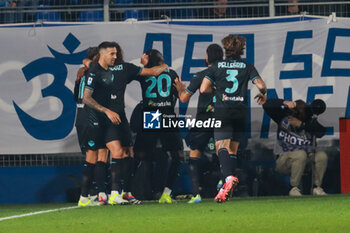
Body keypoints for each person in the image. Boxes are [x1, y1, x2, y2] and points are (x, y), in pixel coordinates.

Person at [83, 41, 168, 205]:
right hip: (104, 119)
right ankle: (112, 193)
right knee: (114, 152)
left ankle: (126, 193)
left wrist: (162, 66)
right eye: (112, 54)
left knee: (129, 153)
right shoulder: (96, 70)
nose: (115, 56)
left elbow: (150, 72)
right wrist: (106, 111)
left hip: (120, 116)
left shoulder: (124, 68)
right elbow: (86, 97)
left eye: (116, 53)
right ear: (102, 55)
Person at [200, 35, 267, 203]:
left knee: (220, 146)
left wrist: (216, 91)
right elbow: (261, 85)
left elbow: (203, 89)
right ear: (241, 50)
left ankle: (228, 178)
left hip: (223, 111)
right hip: (241, 112)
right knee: (232, 150)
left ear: (226, 50)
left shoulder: (216, 66)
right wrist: (263, 94)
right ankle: (225, 185)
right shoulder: (247, 66)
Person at [174, 43, 223, 203]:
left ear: (207, 57)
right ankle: (224, 182)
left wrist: (180, 89)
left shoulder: (202, 75)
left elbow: (183, 98)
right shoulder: (228, 75)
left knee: (195, 152)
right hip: (223, 118)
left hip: (204, 120)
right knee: (224, 151)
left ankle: (196, 195)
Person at [133, 49, 184, 204]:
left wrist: (142, 65)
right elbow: (181, 96)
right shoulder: (172, 73)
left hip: (151, 115)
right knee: (177, 156)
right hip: (167, 115)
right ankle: (166, 193)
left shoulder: (144, 73)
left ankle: (123, 191)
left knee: (137, 156)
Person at [263, 98, 328, 196]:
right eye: (297, 113)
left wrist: (302, 124)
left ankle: (316, 187)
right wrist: (284, 102)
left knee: (321, 156)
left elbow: (321, 132)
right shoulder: (283, 117)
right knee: (300, 154)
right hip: (284, 160)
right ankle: (293, 188)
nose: (299, 115)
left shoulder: (309, 121)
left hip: (304, 161)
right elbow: (266, 104)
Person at [75, 47, 109, 207]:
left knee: (94, 156)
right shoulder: (95, 72)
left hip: (81, 118)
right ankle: (93, 195)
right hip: (91, 118)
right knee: (100, 155)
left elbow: (76, 96)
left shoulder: (82, 74)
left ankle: (91, 195)